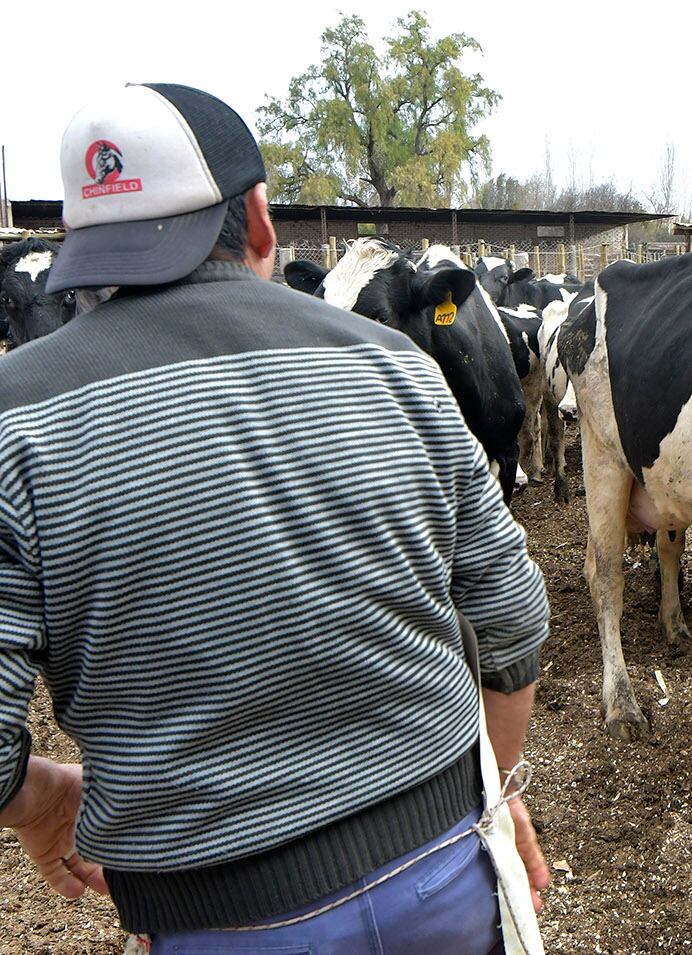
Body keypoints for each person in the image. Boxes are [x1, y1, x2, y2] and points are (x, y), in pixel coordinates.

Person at [0, 83, 551, 952]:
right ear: (260, 221)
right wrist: (498, 787)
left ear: (76, 246)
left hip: (217, 919)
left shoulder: (13, 421)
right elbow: (511, 620)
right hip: (443, 877)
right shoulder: (395, 367)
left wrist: (40, 802)